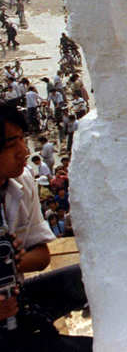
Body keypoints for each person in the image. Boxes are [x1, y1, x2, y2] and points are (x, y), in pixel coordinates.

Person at [0, 104, 92, 352]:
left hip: (16, 298)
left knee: (92, 276)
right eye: (11, 145)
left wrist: (14, 262)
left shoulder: (21, 182)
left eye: (22, 140)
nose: (22, 151)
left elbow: (41, 257)